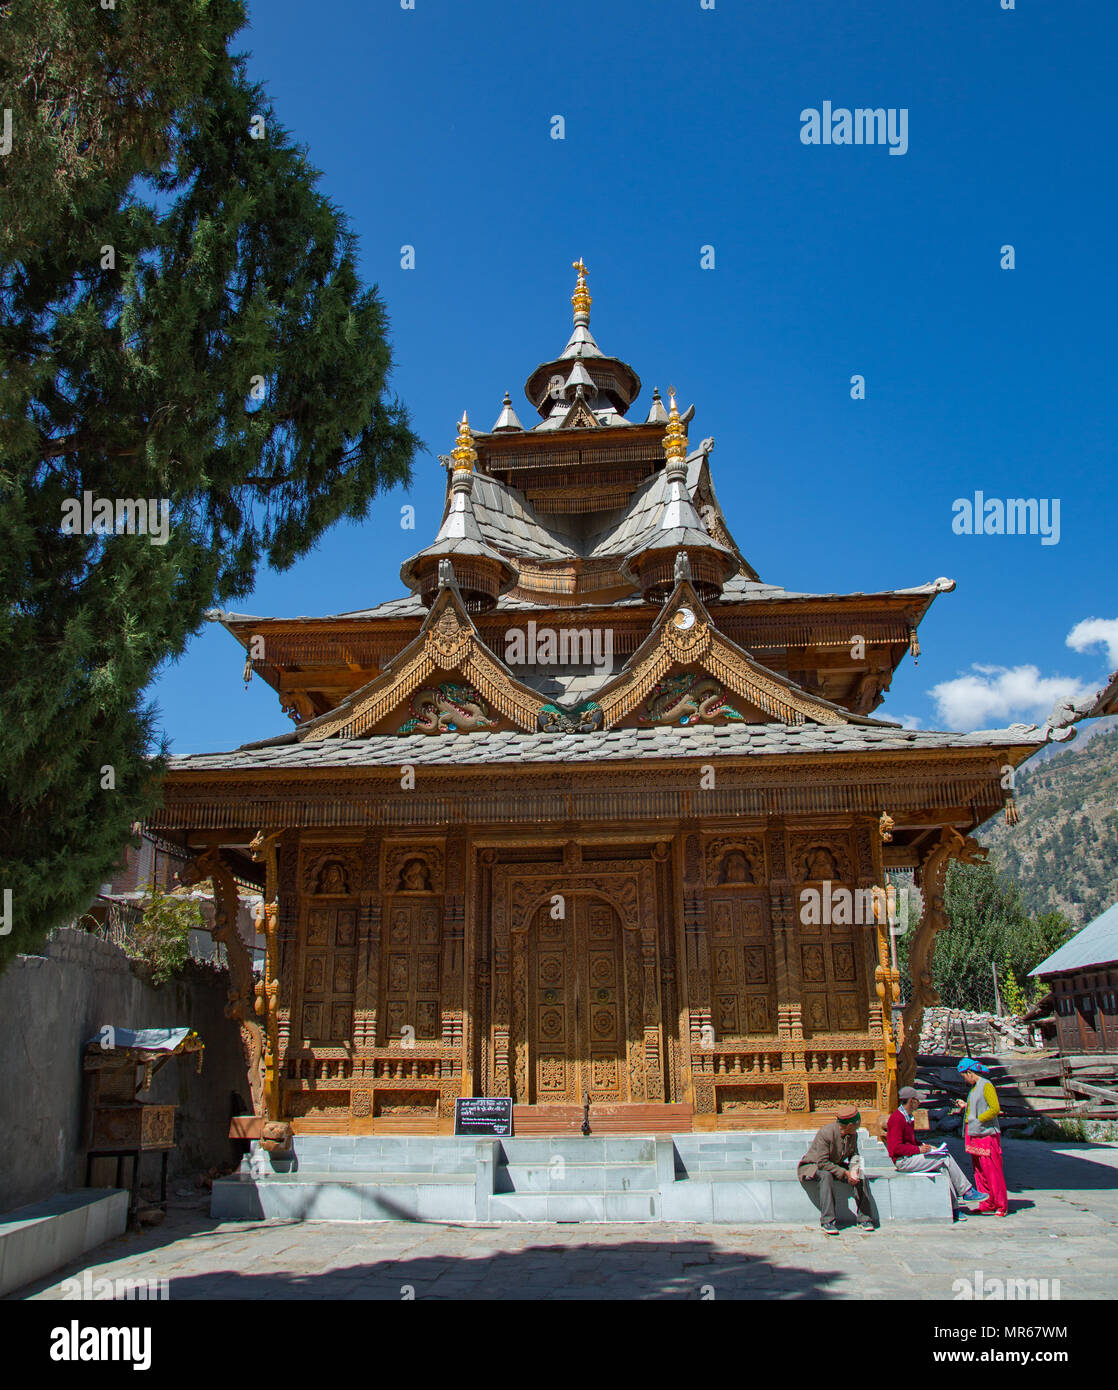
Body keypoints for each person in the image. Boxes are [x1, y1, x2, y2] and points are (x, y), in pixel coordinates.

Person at [886, 1085, 987, 1220]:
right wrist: (918, 1150)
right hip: (903, 1161)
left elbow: (910, 1141)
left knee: (944, 1166)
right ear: (911, 1101)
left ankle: (955, 1208)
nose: (919, 1103)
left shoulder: (908, 1117)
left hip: (911, 1156)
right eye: (917, 1100)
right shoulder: (897, 1118)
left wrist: (924, 1146)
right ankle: (966, 1191)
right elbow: (895, 1148)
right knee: (944, 1158)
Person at [798, 1105, 875, 1235]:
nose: (859, 1125)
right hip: (814, 1166)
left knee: (860, 1176)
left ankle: (865, 1218)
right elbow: (822, 1162)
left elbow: (854, 1155)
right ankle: (828, 1221)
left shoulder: (852, 1134)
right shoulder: (826, 1133)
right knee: (826, 1176)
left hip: (834, 1164)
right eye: (857, 1123)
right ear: (850, 1125)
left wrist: (854, 1170)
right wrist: (845, 1173)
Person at [956, 1058, 1009, 1217]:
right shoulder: (974, 1088)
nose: (964, 1079)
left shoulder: (986, 1085)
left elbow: (994, 1108)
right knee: (980, 1171)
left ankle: (1001, 1204)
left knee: (992, 1170)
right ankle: (987, 1202)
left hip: (986, 1134)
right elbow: (977, 1106)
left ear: (969, 1072)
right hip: (974, 1133)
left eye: (964, 1075)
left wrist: (978, 1118)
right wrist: (965, 1107)